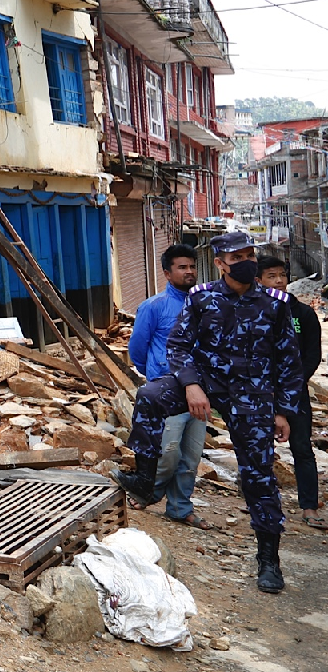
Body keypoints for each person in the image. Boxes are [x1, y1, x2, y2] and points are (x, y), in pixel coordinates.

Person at [113, 231, 301, 593]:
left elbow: (289, 362)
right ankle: (145, 479)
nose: (246, 262)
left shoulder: (277, 304)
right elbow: (179, 345)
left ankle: (269, 562)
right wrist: (190, 384)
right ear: (219, 263)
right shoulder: (202, 299)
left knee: (259, 476)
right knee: (151, 395)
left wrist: (283, 411)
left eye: (250, 255)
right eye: (237, 257)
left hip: (253, 394)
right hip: (206, 383)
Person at [127, 244, 210, 528]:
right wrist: (156, 376)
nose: (189, 272)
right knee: (169, 452)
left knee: (191, 455)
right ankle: (148, 492)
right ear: (167, 272)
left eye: (191, 267)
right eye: (182, 267)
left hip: (200, 392)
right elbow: (137, 349)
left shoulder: (204, 304)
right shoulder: (154, 307)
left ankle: (180, 508)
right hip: (167, 394)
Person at [258, 255, 325, 529]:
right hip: (260, 394)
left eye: (282, 275)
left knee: (302, 449)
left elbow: (312, 356)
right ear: (258, 281)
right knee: (258, 449)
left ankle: (309, 506)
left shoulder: (303, 314)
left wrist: (291, 385)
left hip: (295, 394)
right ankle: (259, 504)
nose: (279, 281)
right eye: (271, 276)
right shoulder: (253, 312)